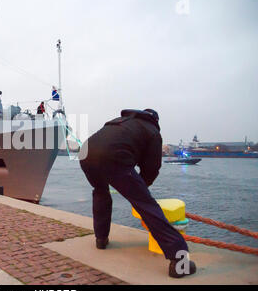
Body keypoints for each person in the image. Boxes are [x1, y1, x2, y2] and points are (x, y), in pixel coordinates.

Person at [79, 109, 196, 278]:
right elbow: (152, 168)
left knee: (100, 192)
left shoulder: (119, 121)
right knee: (146, 205)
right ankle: (180, 262)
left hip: (86, 154)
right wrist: (141, 189)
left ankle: (101, 240)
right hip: (113, 157)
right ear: (156, 121)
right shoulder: (153, 132)